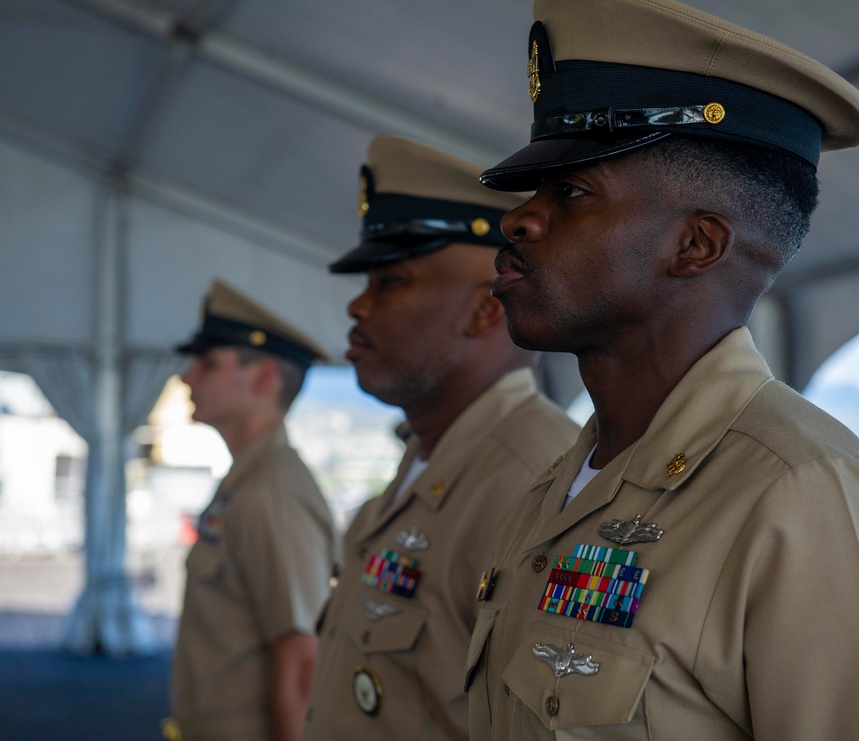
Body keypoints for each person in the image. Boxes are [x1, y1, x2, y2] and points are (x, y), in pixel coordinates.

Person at [465, 1, 859, 739]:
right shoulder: (564, 486)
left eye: (570, 192)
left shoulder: (808, 502)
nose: (519, 219)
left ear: (696, 245)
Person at [301, 135, 580, 740]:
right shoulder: (431, 451)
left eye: (390, 283)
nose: (357, 307)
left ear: (485, 311)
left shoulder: (534, 480)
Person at [169, 280, 336, 741]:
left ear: (264, 378)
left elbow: (303, 661)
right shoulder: (248, 481)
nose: (186, 376)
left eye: (207, 363)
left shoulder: (272, 492)